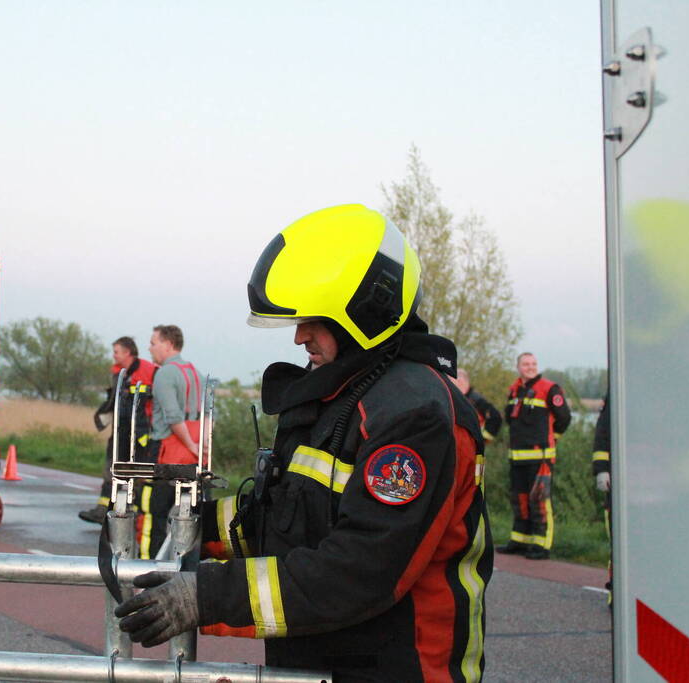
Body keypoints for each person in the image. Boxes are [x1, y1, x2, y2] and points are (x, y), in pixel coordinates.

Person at [115, 204, 493, 682]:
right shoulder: (343, 396)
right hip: (318, 663)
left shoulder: (415, 415)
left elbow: (359, 571)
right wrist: (192, 522)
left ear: (365, 309)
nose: (298, 337)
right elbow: (293, 516)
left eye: (313, 319)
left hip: (401, 670)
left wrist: (208, 595)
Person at [137, 324, 203, 559]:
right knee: (190, 511)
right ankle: (187, 563)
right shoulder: (194, 371)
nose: (149, 347)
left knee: (153, 511)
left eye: (153, 342)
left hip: (167, 449)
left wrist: (189, 445)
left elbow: (173, 417)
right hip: (194, 454)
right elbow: (205, 416)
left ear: (167, 344)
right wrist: (199, 448)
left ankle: (149, 566)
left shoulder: (165, 373)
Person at [498, 352, 571, 560]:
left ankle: (541, 545)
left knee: (539, 500)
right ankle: (520, 541)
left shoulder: (549, 389)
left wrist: (553, 438)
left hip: (541, 456)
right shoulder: (514, 390)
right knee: (519, 500)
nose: (530, 367)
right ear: (518, 367)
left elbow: (564, 417)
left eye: (533, 364)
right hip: (517, 456)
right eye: (526, 364)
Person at [78, 336, 156, 524]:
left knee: (136, 472)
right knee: (112, 468)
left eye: (116, 351)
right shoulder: (118, 373)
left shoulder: (149, 370)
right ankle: (103, 510)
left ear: (128, 352)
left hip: (141, 432)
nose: (113, 356)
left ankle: (134, 514)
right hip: (120, 430)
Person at [592, 392, 612, 602]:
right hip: (620, 481)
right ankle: (617, 593)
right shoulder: (617, 393)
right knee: (619, 541)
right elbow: (603, 434)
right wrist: (601, 469)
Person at [453, 368, 503, 442]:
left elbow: (496, 416)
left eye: (451, 381)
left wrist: (482, 439)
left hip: (472, 448)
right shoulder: (461, 398)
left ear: (460, 381)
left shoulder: (476, 400)